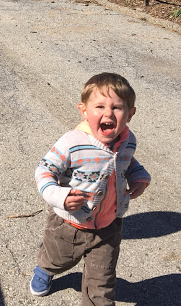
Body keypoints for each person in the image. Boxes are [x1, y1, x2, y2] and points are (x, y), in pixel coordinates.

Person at [30, 72, 151, 305]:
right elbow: (44, 171)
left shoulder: (128, 140)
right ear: (84, 110)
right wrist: (61, 196)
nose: (108, 113)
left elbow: (127, 161)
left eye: (117, 107)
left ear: (130, 114)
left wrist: (139, 178)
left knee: (102, 284)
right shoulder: (72, 143)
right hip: (69, 223)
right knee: (57, 259)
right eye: (100, 106)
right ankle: (45, 269)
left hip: (108, 226)